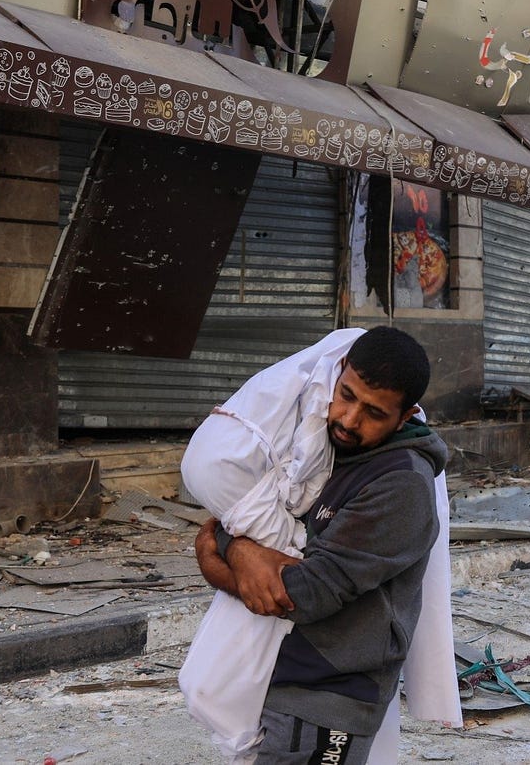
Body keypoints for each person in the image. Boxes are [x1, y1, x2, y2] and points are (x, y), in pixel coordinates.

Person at [189, 327, 450, 764]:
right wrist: (239, 546)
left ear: (406, 416)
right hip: (285, 682)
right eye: (346, 395)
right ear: (339, 371)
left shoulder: (401, 485)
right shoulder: (324, 453)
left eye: (374, 412)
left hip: (329, 699)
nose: (349, 420)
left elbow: (304, 594)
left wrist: (219, 553)